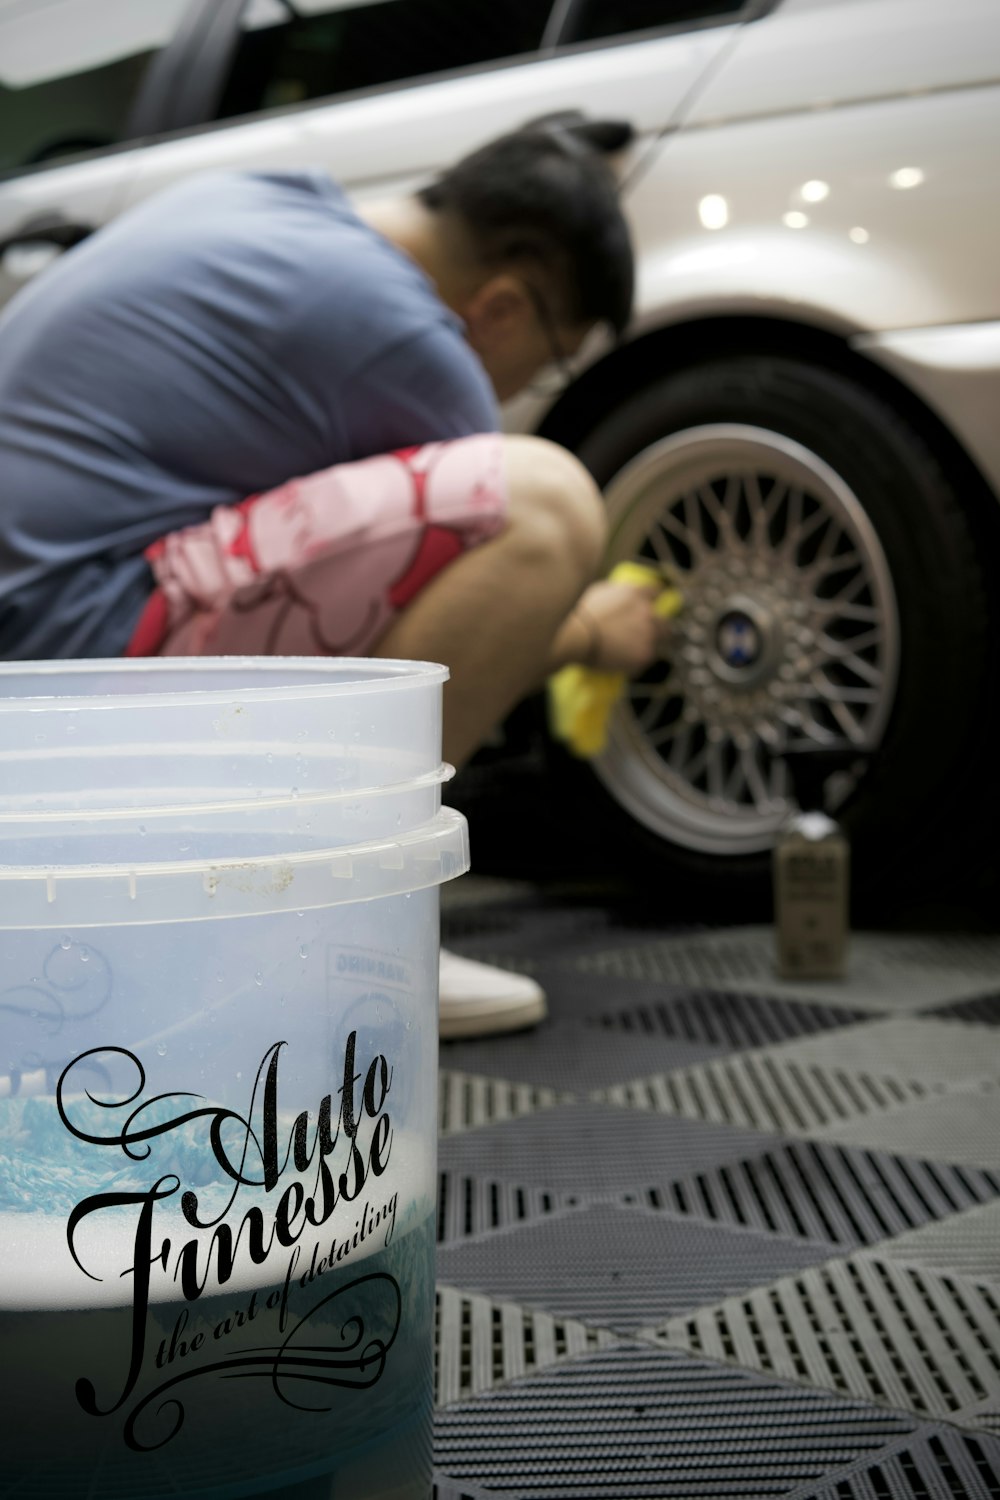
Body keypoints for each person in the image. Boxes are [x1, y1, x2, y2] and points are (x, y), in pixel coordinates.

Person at [0, 114, 667, 1038]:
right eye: (551, 357)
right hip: (75, 661)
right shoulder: (406, 338)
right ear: (507, 305)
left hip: (38, 640)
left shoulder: (267, 202)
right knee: (542, 505)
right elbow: (485, 600)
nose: (522, 385)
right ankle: (312, 950)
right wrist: (593, 629)